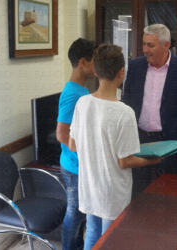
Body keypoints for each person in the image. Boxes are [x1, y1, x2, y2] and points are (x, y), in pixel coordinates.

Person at [68, 44, 163, 250]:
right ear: (122, 73)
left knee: (92, 233)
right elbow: (125, 160)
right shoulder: (124, 112)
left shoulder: (82, 103)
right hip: (112, 191)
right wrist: (153, 159)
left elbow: (72, 145)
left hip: (90, 185)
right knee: (112, 239)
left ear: (95, 71)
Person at [122, 24, 177, 199]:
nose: (145, 50)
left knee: (168, 193)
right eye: (144, 44)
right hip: (139, 140)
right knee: (137, 192)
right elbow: (126, 100)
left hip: (170, 142)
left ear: (166, 45)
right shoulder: (135, 66)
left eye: (150, 45)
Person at [56, 38, 97, 250]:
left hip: (78, 164)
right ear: (83, 62)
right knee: (75, 214)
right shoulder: (72, 93)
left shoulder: (81, 90)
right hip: (74, 167)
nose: (98, 65)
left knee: (80, 214)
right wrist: (87, 151)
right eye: (95, 60)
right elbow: (62, 134)